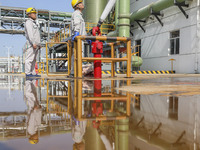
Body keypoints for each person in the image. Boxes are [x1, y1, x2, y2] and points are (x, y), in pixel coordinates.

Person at [70, 0, 93, 77]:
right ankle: (75, 73)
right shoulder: (76, 14)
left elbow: (82, 28)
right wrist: (76, 33)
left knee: (77, 55)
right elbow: (77, 24)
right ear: (77, 6)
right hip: (78, 38)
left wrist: (87, 38)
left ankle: (75, 72)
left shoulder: (79, 14)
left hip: (80, 38)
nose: (82, 4)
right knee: (77, 55)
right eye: (80, 3)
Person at [23, 7, 41, 78]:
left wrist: (39, 44)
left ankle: (33, 73)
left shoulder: (34, 23)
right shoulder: (28, 23)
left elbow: (37, 34)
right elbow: (30, 34)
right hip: (31, 44)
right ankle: (28, 73)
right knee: (29, 59)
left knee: (34, 59)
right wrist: (33, 43)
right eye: (33, 13)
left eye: (35, 13)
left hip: (36, 44)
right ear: (29, 14)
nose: (35, 15)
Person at [24, 79, 42, 144]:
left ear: (32, 137)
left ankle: (28, 81)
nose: (37, 137)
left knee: (29, 95)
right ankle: (32, 81)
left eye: (36, 138)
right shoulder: (35, 130)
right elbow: (37, 119)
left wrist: (34, 110)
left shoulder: (31, 130)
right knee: (34, 94)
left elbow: (32, 119)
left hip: (33, 109)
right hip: (36, 109)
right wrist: (39, 110)